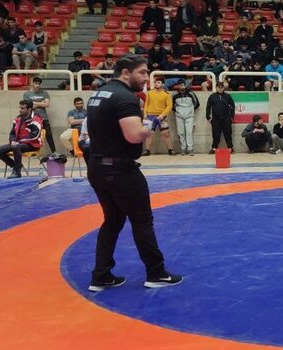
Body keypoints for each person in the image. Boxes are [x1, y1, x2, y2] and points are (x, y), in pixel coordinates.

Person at [84, 54, 182, 292]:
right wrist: (148, 127)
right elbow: (133, 135)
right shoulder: (125, 98)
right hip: (120, 170)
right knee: (142, 221)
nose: (146, 78)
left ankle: (101, 275)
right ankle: (156, 272)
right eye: (142, 72)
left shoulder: (99, 93)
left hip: (97, 167)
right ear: (126, 73)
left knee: (113, 221)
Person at [0, 100, 43, 179]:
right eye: (20, 108)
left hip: (32, 144)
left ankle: (17, 172)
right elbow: (12, 133)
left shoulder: (36, 119)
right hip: (18, 144)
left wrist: (18, 142)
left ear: (29, 109)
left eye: (23, 108)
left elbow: (35, 135)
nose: (20, 110)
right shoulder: (18, 118)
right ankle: (16, 165)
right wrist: (12, 140)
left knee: (16, 147)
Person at [23, 77, 55, 153]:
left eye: (39, 84)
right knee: (33, 136)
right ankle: (32, 152)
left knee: (49, 135)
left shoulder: (44, 93)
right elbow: (28, 106)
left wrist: (34, 103)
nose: (37, 85)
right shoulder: (27, 94)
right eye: (36, 83)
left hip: (43, 117)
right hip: (32, 118)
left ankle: (54, 152)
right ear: (33, 83)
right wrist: (41, 103)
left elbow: (47, 104)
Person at [143, 78, 173, 156]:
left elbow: (169, 106)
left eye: (158, 82)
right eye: (155, 82)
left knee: (165, 133)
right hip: (150, 116)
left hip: (161, 116)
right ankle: (147, 150)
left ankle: (170, 150)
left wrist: (162, 115)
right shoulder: (149, 93)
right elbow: (146, 104)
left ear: (163, 84)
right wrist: (145, 113)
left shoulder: (166, 94)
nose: (156, 84)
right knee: (149, 134)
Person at [172, 80, 199, 155]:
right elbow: (172, 106)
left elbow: (197, 103)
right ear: (178, 86)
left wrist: (190, 111)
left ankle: (190, 149)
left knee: (189, 132)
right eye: (181, 85)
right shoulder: (174, 94)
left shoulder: (191, 93)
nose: (182, 86)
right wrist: (178, 111)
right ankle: (183, 149)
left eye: (183, 85)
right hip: (179, 117)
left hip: (189, 116)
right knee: (181, 133)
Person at [206, 82, 235, 153]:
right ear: (216, 88)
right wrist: (208, 117)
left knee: (228, 133)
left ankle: (230, 148)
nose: (220, 89)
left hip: (226, 118)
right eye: (218, 87)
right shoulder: (212, 96)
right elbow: (208, 107)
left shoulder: (228, 96)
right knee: (215, 134)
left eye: (221, 87)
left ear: (223, 88)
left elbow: (233, 106)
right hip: (216, 119)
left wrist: (231, 117)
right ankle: (214, 148)